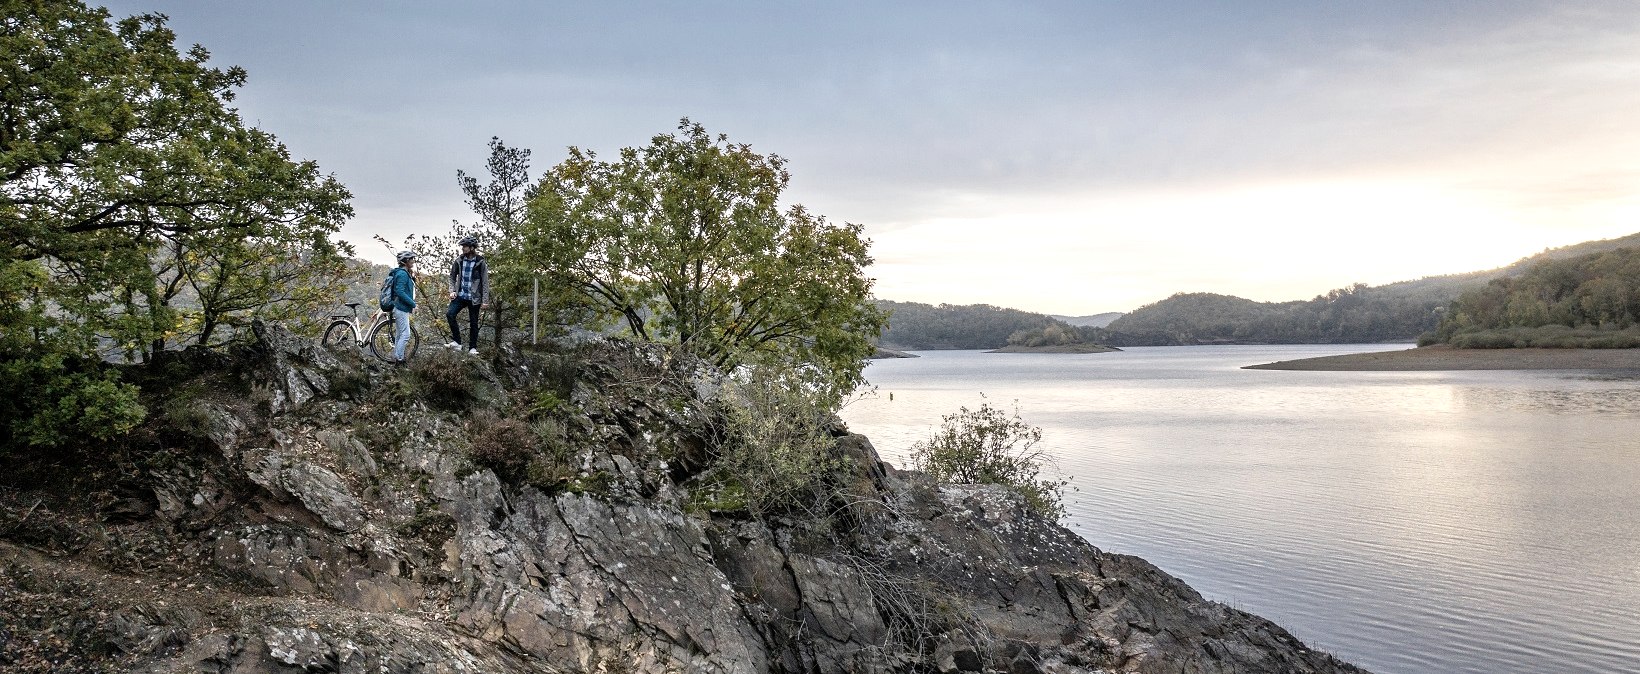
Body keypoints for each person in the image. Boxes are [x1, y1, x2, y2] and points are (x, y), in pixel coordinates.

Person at [445, 235, 489, 355]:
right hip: (461, 295)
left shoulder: (480, 261)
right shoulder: (459, 260)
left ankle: (472, 348)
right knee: (450, 314)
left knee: (474, 322)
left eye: (465, 246)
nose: (463, 248)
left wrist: (485, 300)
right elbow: (452, 277)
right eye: (462, 246)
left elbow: (485, 282)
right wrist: (452, 290)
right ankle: (457, 342)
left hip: (474, 298)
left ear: (472, 247)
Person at [389, 250, 418, 363]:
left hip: (401, 308)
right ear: (405, 261)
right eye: (411, 259)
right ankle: (399, 359)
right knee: (405, 335)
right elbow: (400, 291)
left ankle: (397, 357)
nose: (413, 261)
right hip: (401, 308)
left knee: (400, 334)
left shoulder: (404, 273)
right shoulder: (402, 274)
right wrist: (413, 304)